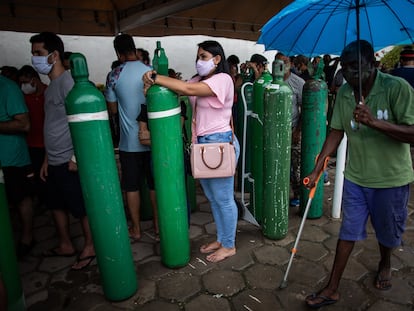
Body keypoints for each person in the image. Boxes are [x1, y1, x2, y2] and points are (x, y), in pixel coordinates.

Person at [304, 40, 414, 308]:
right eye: (346, 67)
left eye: (356, 67)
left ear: (373, 65)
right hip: (356, 177)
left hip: (391, 180)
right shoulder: (343, 93)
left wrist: (374, 122)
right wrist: (318, 167)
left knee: (388, 234)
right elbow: (337, 130)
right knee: (348, 232)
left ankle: (385, 262)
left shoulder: (397, 88)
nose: (350, 73)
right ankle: (332, 288)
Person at [143, 40, 240, 263]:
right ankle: (221, 238)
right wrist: (151, 83)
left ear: (217, 59)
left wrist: (155, 76)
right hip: (203, 144)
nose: (199, 61)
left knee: (224, 199)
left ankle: (229, 245)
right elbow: (179, 87)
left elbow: (185, 89)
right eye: (198, 57)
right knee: (213, 198)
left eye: (204, 57)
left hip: (218, 142)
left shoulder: (223, 80)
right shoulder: (199, 79)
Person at [30, 32, 95, 270]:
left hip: (68, 159)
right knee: (55, 204)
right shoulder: (50, 87)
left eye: (38, 53)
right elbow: (52, 125)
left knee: (79, 206)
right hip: (54, 158)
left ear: (54, 55)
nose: (34, 58)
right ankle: (66, 244)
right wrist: (47, 159)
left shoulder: (69, 84)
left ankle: (90, 246)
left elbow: (82, 123)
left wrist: (76, 157)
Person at [105, 34, 159, 240]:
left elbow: (112, 109)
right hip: (153, 141)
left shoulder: (114, 75)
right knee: (154, 184)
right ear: (135, 50)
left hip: (129, 143)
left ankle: (136, 229)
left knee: (131, 186)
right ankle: (157, 226)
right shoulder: (150, 72)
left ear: (118, 53)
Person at [0, 72, 35, 258]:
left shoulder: (7, 88)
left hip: (11, 157)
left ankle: (27, 238)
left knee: (20, 197)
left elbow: (24, 125)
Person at [275, 53, 306, 208]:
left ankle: (298, 195)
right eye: (278, 61)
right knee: (278, 165)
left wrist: (298, 131)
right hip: (275, 131)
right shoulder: (271, 82)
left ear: (291, 63)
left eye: (285, 61)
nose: (281, 64)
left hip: (292, 129)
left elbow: (305, 109)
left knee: (296, 166)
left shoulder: (298, 83)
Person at [17, 65, 48, 208]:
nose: (23, 86)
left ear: (34, 80)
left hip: (48, 143)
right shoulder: (23, 98)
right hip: (31, 144)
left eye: (25, 82)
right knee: (36, 175)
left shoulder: (48, 93)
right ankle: (42, 201)